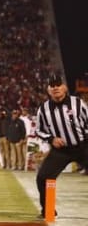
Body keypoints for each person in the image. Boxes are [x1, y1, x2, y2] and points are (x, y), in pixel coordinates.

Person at [34, 73, 88, 219]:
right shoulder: (43, 109)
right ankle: (48, 210)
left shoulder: (78, 103)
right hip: (61, 151)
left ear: (64, 88)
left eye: (58, 84)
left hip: (83, 147)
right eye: (52, 85)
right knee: (42, 177)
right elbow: (39, 130)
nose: (56, 88)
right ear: (48, 90)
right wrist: (51, 139)